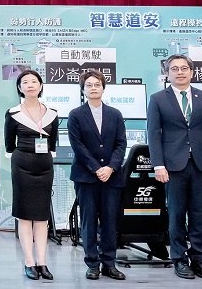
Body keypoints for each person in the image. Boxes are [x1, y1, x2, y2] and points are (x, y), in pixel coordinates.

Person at [147, 54, 202, 280]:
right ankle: (179, 259)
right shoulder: (158, 99)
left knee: (198, 214)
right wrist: (158, 165)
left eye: (184, 68)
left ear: (191, 72)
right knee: (177, 214)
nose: (179, 72)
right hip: (172, 166)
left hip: (201, 164)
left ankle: (198, 259)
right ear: (167, 73)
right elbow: (153, 134)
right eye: (174, 69)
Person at [67, 71, 127, 281]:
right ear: (83, 90)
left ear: (103, 88)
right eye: (89, 85)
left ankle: (109, 263)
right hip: (86, 177)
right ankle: (92, 264)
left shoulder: (115, 114)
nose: (93, 88)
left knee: (110, 222)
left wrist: (110, 168)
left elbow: (121, 144)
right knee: (89, 221)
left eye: (97, 84)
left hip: (112, 177)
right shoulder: (76, 114)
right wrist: (96, 168)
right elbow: (77, 146)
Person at [4, 70, 57, 281]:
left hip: (45, 167)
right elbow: (9, 145)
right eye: (25, 82)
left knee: (42, 216)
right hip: (22, 166)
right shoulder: (13, 113)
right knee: (25, 216)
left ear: (41, 86)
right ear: (20, 88)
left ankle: (42, 262)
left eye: (34, 81)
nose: (30, 85)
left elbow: (52, 144)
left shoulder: (52, 113)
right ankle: (29, 262)